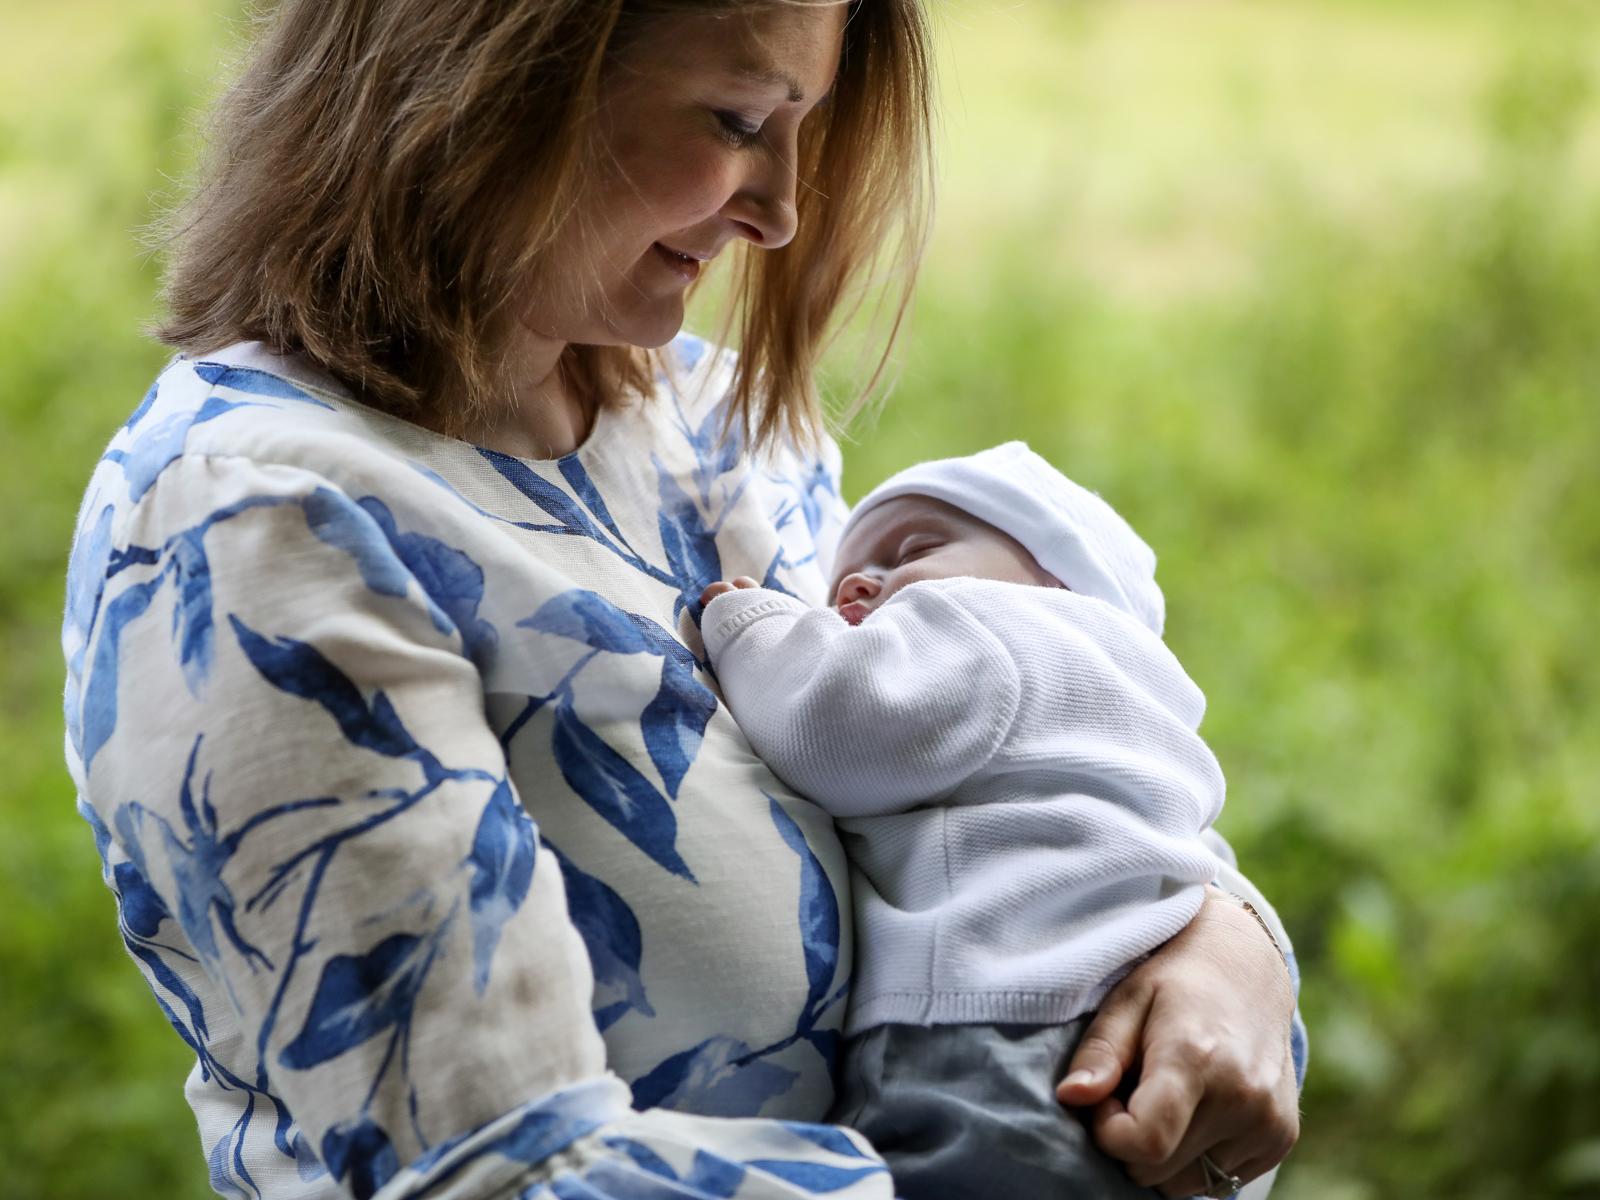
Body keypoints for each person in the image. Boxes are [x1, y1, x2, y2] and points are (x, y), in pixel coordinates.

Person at [60, 3, 1302, 1198]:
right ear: (491, 78)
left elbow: (973, 775)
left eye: (802, 124)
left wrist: (1221, 937)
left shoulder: (707, 423)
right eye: (735, 118)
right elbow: (499, 1174)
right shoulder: (260, 521)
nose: (781, 213)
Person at [699, 442, 1303, 1198]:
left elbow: (841, 725)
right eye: (840, 581)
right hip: (1159, 1041)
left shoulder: (990, 625)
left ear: (1056, 578)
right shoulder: (1154, 705)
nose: (857, 579)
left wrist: (751, 626)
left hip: (1000, 1027)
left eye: (913, 548)